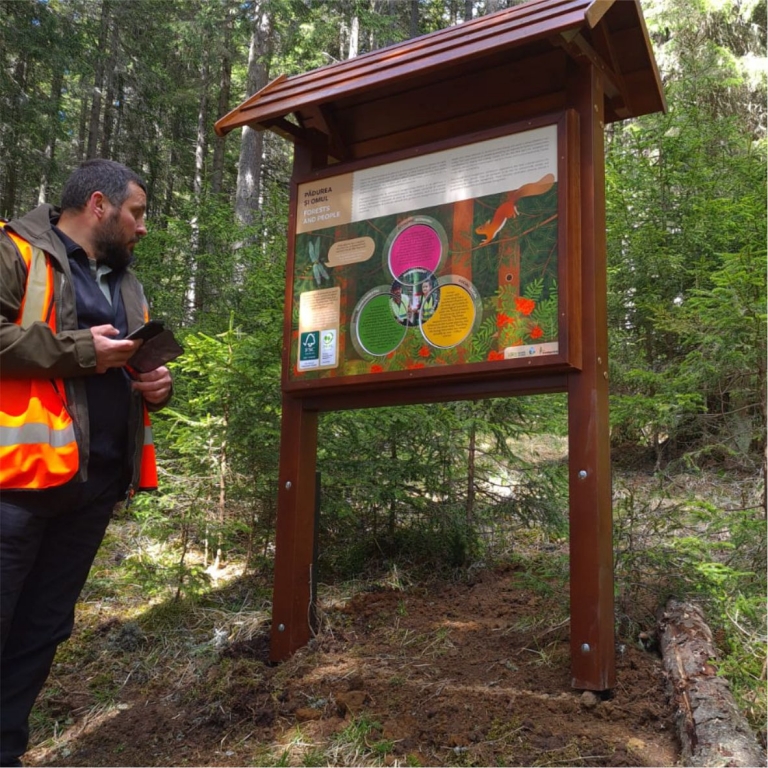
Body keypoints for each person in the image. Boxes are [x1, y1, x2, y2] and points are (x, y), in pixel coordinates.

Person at [0, 159, 172, 767]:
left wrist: (156, 383)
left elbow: (127, 366)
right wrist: (79, 350)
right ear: (98, 205)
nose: (142, 228)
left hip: (93, 486)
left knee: (44, 629)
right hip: (14, 487)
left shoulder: (126, 283)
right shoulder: (15, 250)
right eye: (137, 213)